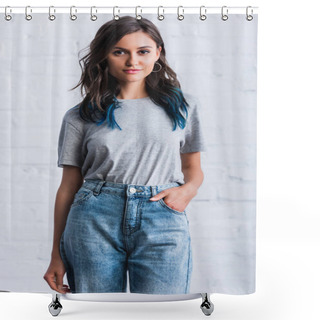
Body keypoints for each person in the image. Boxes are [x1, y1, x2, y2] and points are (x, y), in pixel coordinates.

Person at [43, 16, 206, 295]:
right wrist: (56, 254)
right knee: (98, 313)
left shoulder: (183, 107)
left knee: (161, 313)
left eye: (142, 51)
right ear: (104, 56)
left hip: (162, 218)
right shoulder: (80, 116)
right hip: (94, 219)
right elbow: (68, 186)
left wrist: (186, 191)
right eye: (120, 51)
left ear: (158, 52)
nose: (133, 61)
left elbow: (193, 167)